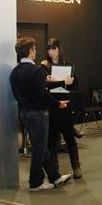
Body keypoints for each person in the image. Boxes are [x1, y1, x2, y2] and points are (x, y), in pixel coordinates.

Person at [9, 37, 72, 191]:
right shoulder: (36, 71)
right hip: (38, 113)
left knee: (40, 146)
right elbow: (42, 94)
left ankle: (55, 177)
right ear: (30, 51)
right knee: (39, 148)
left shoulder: (14, 72)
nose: (36, 51)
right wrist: (57, 103)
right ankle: (35, 182)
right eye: (35, 48)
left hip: (24, 113)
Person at [41, 38, 83, 180]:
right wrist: (60, 82)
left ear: (59, 49)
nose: (51, 52)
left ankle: (76, 166)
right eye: (49, 49)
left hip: (66, 103)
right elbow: (44, 85)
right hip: (52, 104)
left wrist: (68, 82)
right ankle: (55, 169)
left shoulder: (68, 65)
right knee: (52, 139)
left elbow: (75, 85)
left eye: (54, 48)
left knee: (69, 136)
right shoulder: (44, 66)